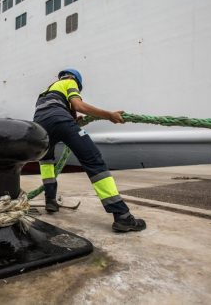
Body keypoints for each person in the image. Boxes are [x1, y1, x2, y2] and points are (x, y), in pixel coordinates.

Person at [33, 69, 146, 232]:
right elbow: (78, 105)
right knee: (93, 160)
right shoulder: (69, 82)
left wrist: (72, 120)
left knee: (47, 163)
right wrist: (109, 115)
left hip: (40, 128)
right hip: (59, 121)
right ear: (76, 81)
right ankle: (122, 216)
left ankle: (50, 201)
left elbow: (52, 111)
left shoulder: (45, 92)